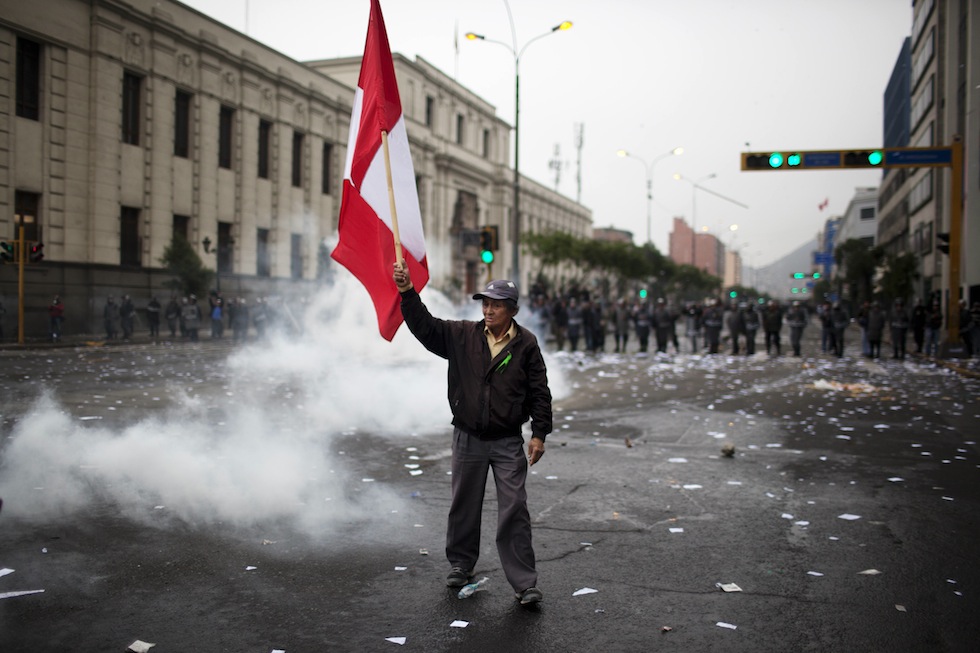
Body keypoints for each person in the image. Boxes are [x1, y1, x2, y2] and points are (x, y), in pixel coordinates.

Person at [393, 263, 552, 606]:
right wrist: (407, 292)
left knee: (514, 508)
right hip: (468, 437)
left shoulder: (526, 343)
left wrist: (539, 433)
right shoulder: (463, 335)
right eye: (486, 303)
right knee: (464, 504)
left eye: (497, 305)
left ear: (512, 310)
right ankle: (461, 564)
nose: (489, 310)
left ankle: (524, 583)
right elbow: (425, 327)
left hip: (507, 440)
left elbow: (540, 391)